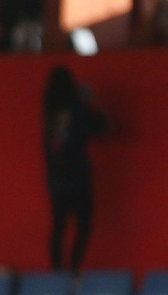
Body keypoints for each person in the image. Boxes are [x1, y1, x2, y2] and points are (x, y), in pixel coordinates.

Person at [41, 66, 107, 273]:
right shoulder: (76, 107)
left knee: (59, 226)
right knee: (83, 226)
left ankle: (57, 272)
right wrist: (90, 101)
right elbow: (103, 125)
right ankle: (73, 270)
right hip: (77, 177)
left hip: (56, 178)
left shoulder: (49, 111)